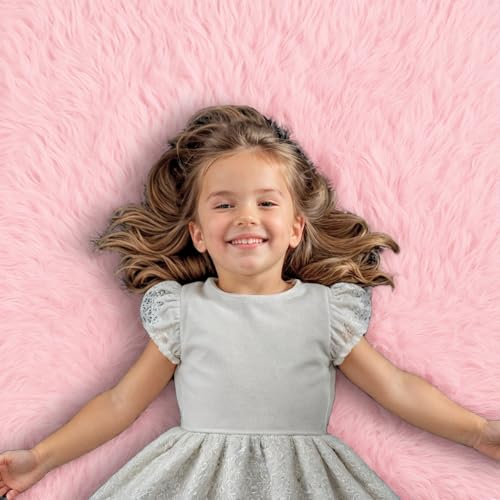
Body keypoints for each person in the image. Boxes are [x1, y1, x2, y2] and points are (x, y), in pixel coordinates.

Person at [0, 105, 498, 500]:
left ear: (296, 227)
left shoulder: (326, 312)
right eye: (224, 204)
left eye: (266, 202)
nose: (245, 216)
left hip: (305, 481)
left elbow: (396, 387)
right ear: (198, 233)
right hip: (195, 478)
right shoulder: (183, 312)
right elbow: (120, 403)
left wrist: (477, 433)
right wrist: (40, 459)